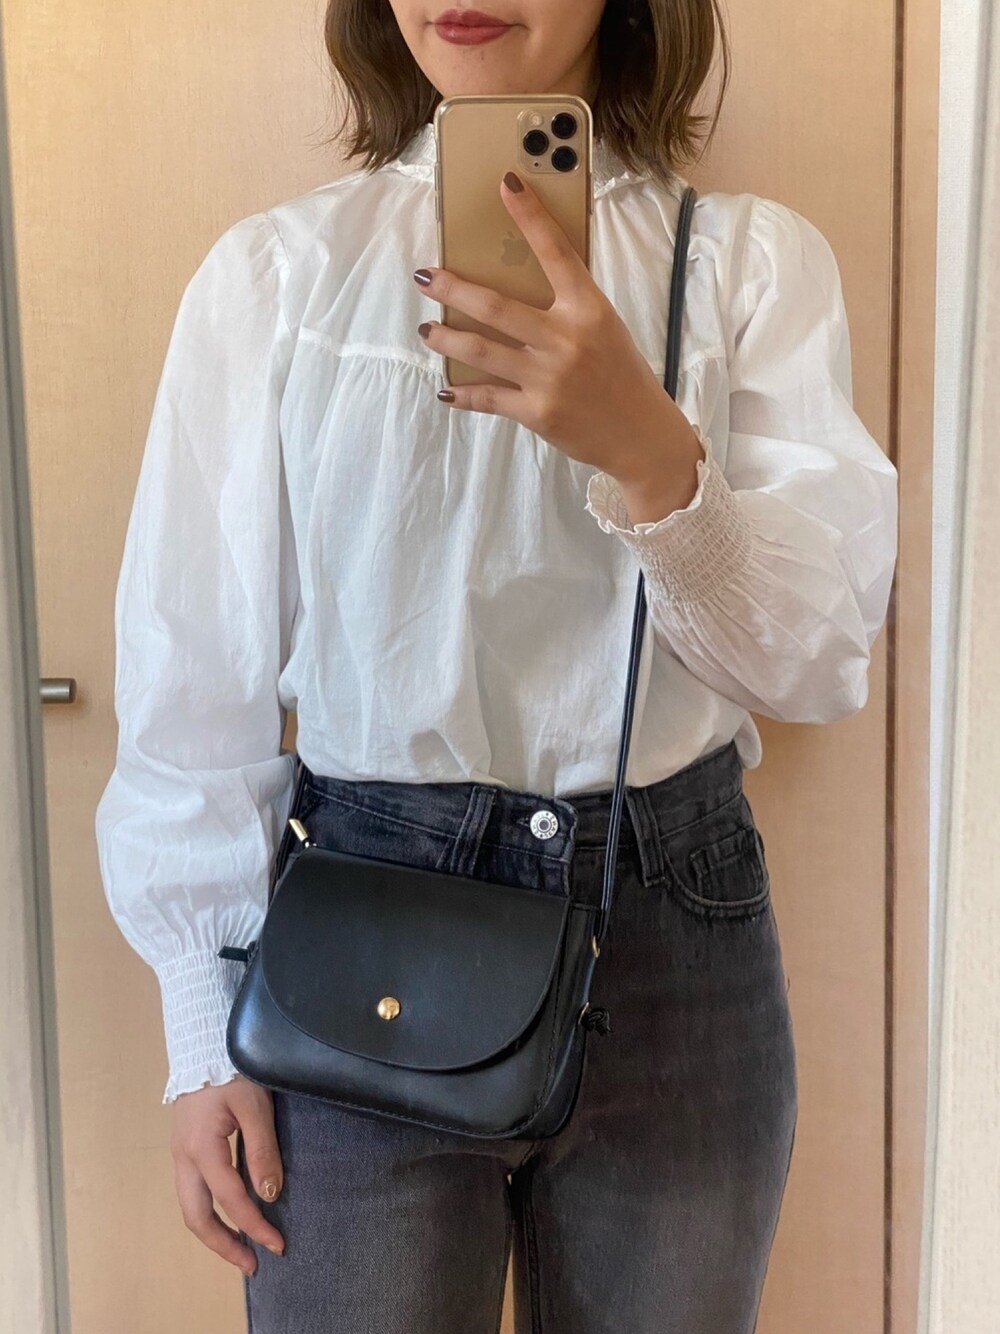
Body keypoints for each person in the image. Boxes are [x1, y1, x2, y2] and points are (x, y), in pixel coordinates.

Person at [94, 1, 898, 1331]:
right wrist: (199, 1020)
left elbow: (816, 661)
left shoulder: (747, 266)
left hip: (673, 934)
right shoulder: (281, 276)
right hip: (357, 929)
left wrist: (652, 455)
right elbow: (196, 672)